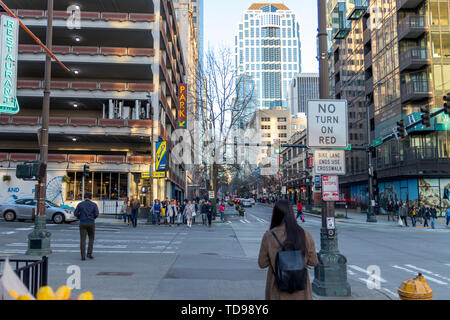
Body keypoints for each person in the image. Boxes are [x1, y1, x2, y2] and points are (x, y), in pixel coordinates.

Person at [258, 200, 318, 300]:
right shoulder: (305, 234)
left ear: (276, 214)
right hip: (301, 292)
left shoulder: (269, 236)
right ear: (292, 213)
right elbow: (313, 262)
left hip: (277, 290)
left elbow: (262, 263)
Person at [74, 192, 99, 261]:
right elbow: (96, 214)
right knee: (91, 238)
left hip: (82, 222)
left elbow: (75, 213)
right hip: (91, 222)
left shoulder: (80, 204)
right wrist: (92, 218)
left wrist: (80, 217)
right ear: (90, 197)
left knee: (82, 240)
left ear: (84, 197)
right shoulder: (94, 205)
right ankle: (89, 253)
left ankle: (83, 256)